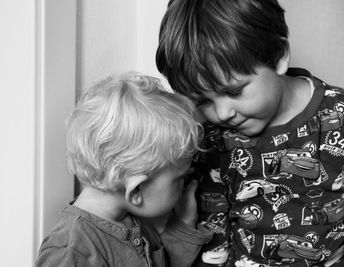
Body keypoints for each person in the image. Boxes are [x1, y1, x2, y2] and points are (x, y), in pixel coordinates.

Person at [156, 0, 344, 266]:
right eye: (202, 101)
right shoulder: (211, 137)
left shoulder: (337, 112)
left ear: (278, 56)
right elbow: (211, 223)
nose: (222, 113)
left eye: (234, 91)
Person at [35, 72, 213, 267]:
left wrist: (183, 225)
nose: (184, 185)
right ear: (137, 190)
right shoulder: (71, 250)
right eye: (179, 179)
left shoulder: (131, 221)